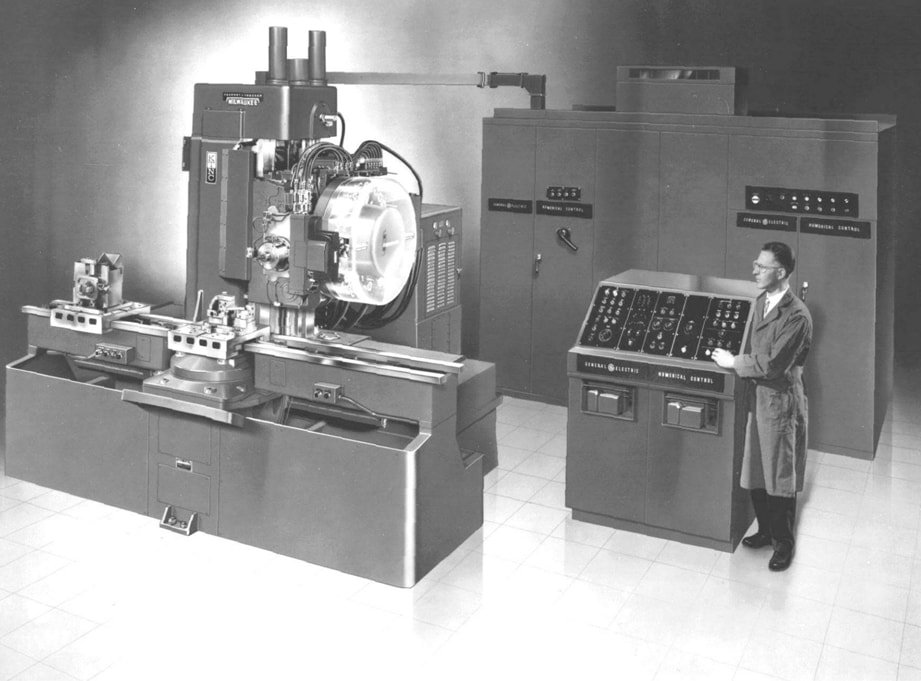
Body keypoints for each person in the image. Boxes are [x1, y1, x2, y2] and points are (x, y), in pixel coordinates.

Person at [712, 241, 812, 572]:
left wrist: (733, 361)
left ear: (781, 272)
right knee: (756, 467)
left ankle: (784, 544)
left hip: (781, 402)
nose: (754, 270)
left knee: (780, 474)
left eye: (762, 266)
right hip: (759, 398)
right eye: (755, 263)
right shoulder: (761, 301)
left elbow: (772, 364)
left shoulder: (797, 315)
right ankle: (766, 531)